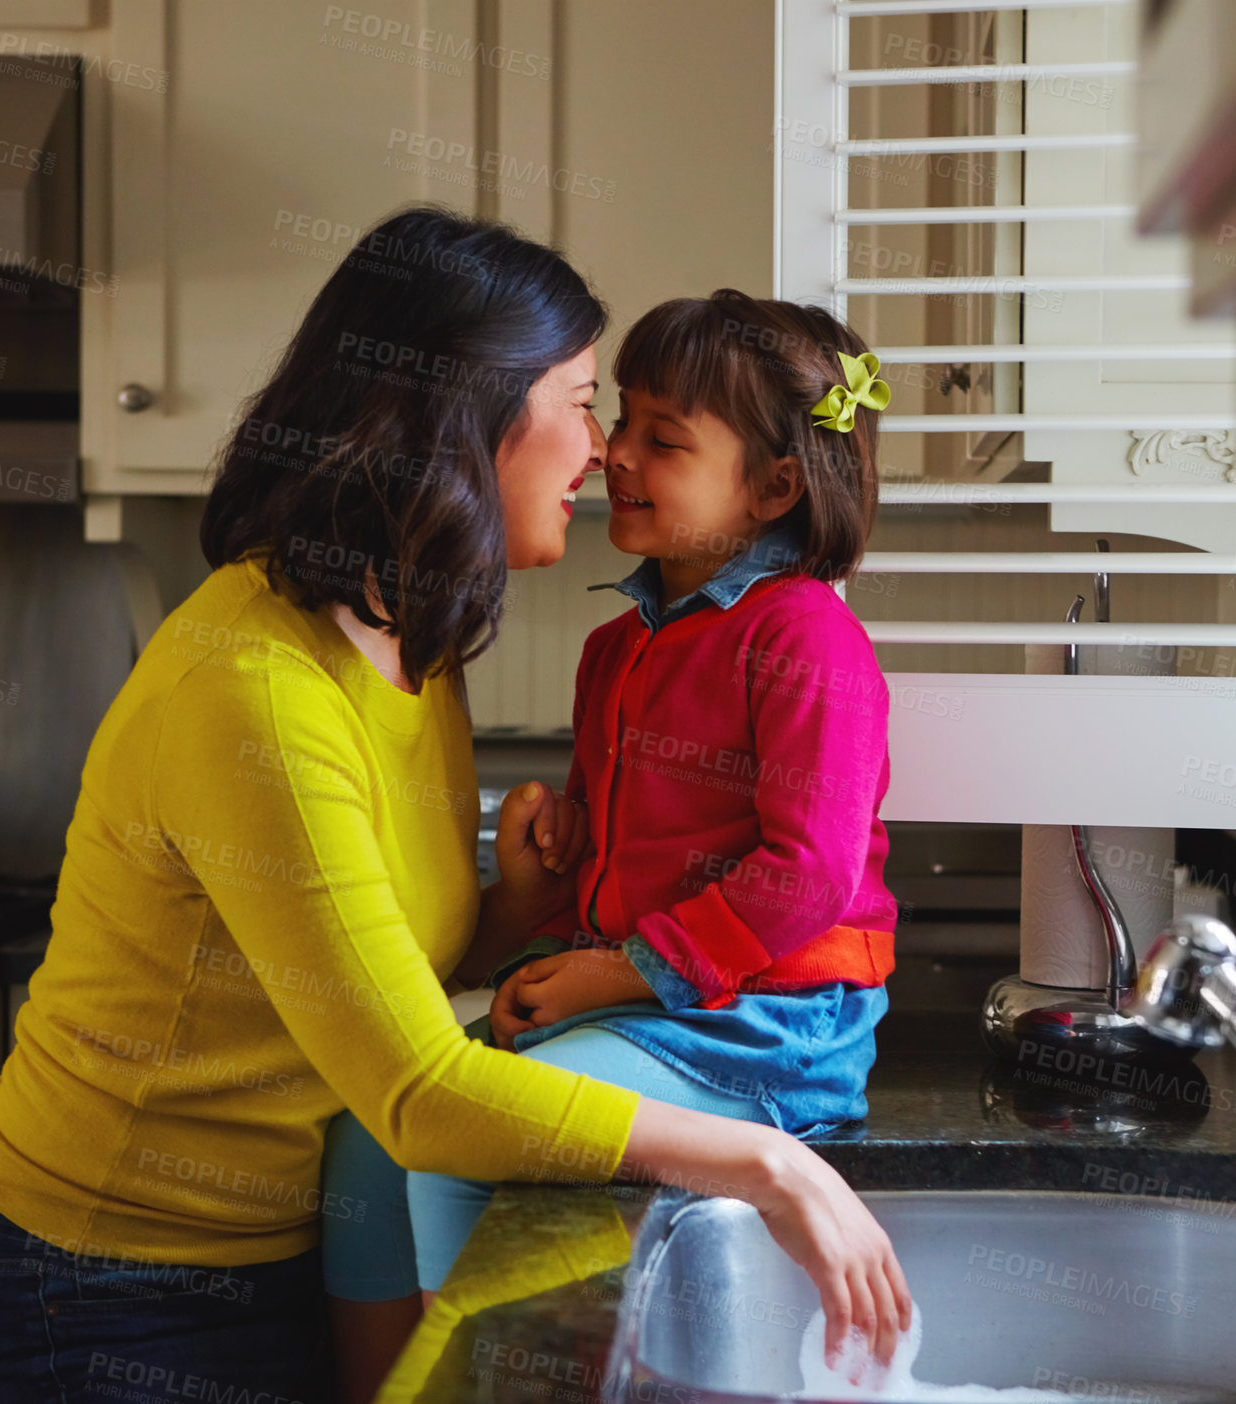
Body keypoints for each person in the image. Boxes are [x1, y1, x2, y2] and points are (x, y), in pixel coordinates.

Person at [0, 211, 910, 1404]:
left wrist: (520, 907)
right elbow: (419, 1095)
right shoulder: (256, 692)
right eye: (584, 402)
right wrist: (771, 1165)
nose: (601, 452)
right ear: (467, 420)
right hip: (112, 1284)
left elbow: (366, 971)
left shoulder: (410, 637)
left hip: (275, 1249)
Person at [321, 289, 905, 1399]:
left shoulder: (802, 635)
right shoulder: (613, 649)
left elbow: (807, 873)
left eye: (663, 440)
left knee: (466, 1137)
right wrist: (552, 866)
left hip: (764, 1029)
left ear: (774, 486)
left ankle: (478, 1386)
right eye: (621, 417)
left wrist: (613, 969)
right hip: (642, 1006)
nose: (613, 452)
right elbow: (612, 869)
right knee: (366, 1131)